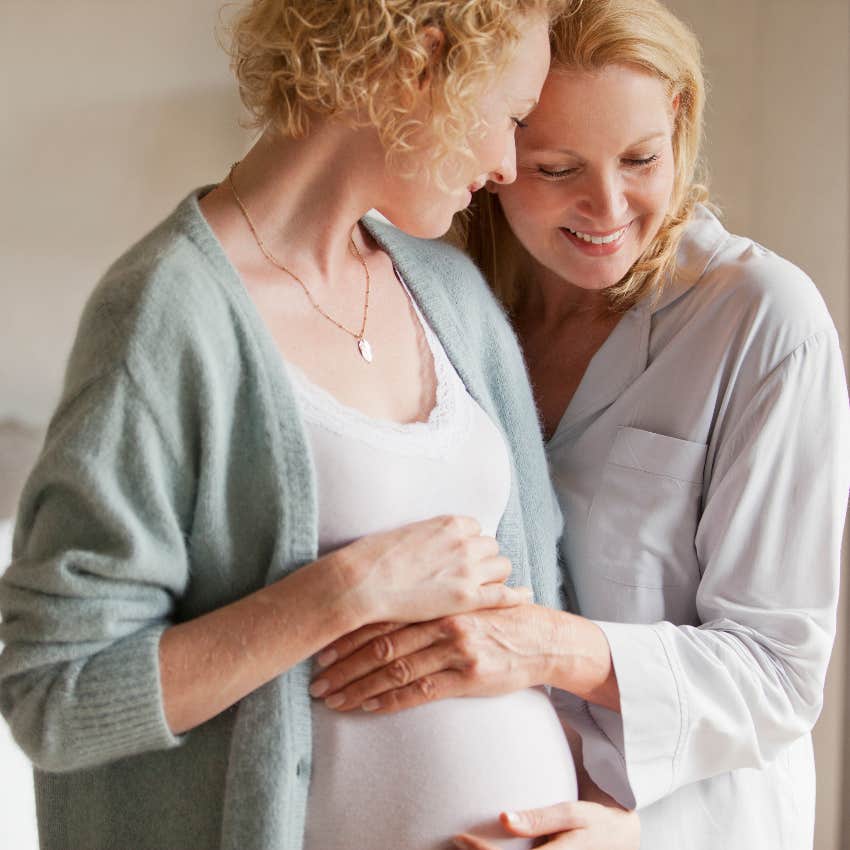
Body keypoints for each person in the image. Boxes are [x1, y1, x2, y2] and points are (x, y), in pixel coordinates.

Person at [0, 2, 639, 849]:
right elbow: (57, 692)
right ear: (422, 63)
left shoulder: (449, 292)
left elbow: (536, 616)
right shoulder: (168, 316)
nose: (503, 162)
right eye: (510, 117)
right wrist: (342, 593)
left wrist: (609, 821)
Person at [311, 1, 850, 848]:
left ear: (679, 120)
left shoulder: (761, 322)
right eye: (557, 167)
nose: (608, 209)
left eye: (641, 158)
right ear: (491, 147)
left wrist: (546, 650)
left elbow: (777, 674)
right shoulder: (438, 297)